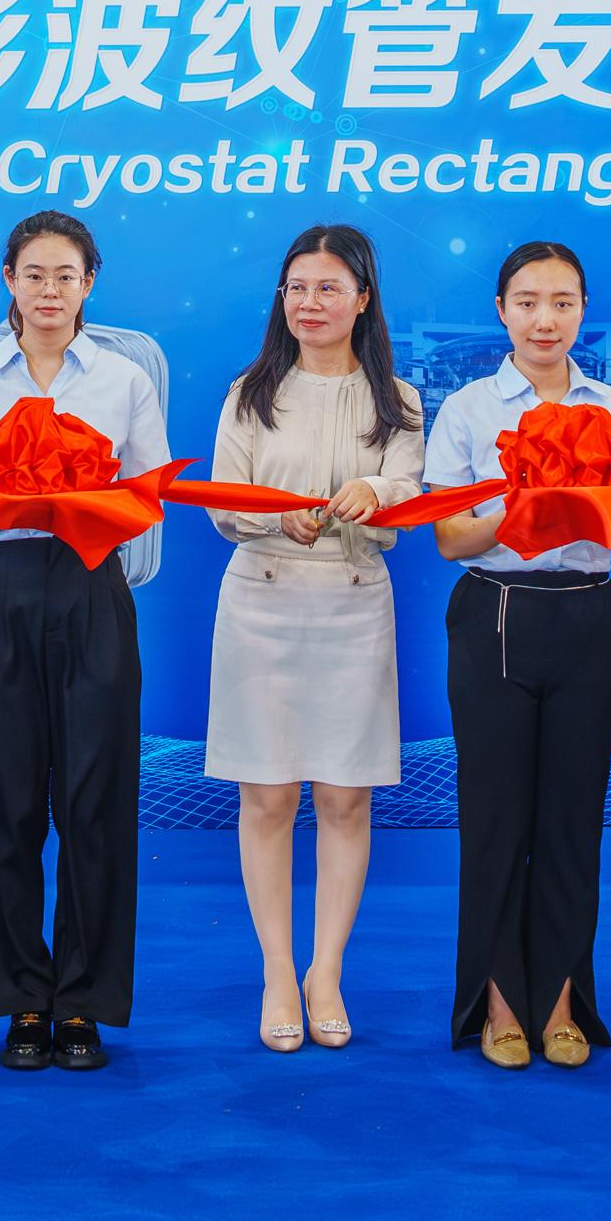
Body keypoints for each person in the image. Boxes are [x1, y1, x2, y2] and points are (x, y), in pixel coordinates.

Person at [0, 209, 168, 1073]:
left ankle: (84, 1002)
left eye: (66, 275)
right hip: (1, 588)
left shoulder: (123, 377)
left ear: (88, 284)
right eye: (33, 274)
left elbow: (147, 497)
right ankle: (21, 998)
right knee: (3, 799)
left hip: (92, 586)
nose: (49, 291)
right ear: (9, 281)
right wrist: (12, 501)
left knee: (96, 801)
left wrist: (77, 502)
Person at [203, 224, 422, 1054]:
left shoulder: (398, 400)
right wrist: (273, 514)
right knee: (266, 796)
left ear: (363, 298)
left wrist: (374, 490)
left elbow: (409, 491)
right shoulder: (250, 392)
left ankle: (325, 971)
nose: (310, 303)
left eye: (329, 287)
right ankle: (276, 971)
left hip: (354, 602)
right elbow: (224, 500)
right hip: (261, 601)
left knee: (344, 796)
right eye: (297, 287)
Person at [427, 242, 611, 1072]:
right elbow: (452, 538)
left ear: (583, 311)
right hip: (495, 614)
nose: (544, 319)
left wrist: (588, 506)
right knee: (495, 819)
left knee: (571, 820)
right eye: (527, 302)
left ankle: (561, 999)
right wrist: (528, 509)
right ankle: (498, 1002)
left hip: (588, 614)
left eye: (562, 302)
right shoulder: (469, 409)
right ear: (502, 311)